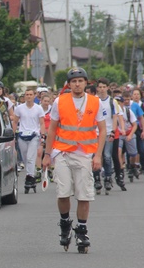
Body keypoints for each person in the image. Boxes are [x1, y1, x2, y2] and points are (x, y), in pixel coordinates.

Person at [42, 67, 106, 252]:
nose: (77, 84)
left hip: (85, 154)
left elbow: (102, 130)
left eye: (80, 81)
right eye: (73, 81)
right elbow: (52, 129)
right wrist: (47, 155)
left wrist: (98, 155)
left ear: (86, 83)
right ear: (68, 85)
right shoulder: (60, 102)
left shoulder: (95, 102)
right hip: (62, 152)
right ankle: (64, 224)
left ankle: (82, 230)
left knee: (83, 194)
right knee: (63, 193)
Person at [12, 88, 46, 193]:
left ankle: (29, 177)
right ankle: (31, 175)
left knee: (31, 157)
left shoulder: (38, 108)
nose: (29, 96)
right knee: (25, 158)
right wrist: (12, 135)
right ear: (24, 96)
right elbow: (15, 122)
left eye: (31, 94)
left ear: (34, 95)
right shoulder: (19, 108)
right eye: (27, 94)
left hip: (34, 135)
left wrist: (43, 135)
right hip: (22, 135)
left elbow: (42, 123)